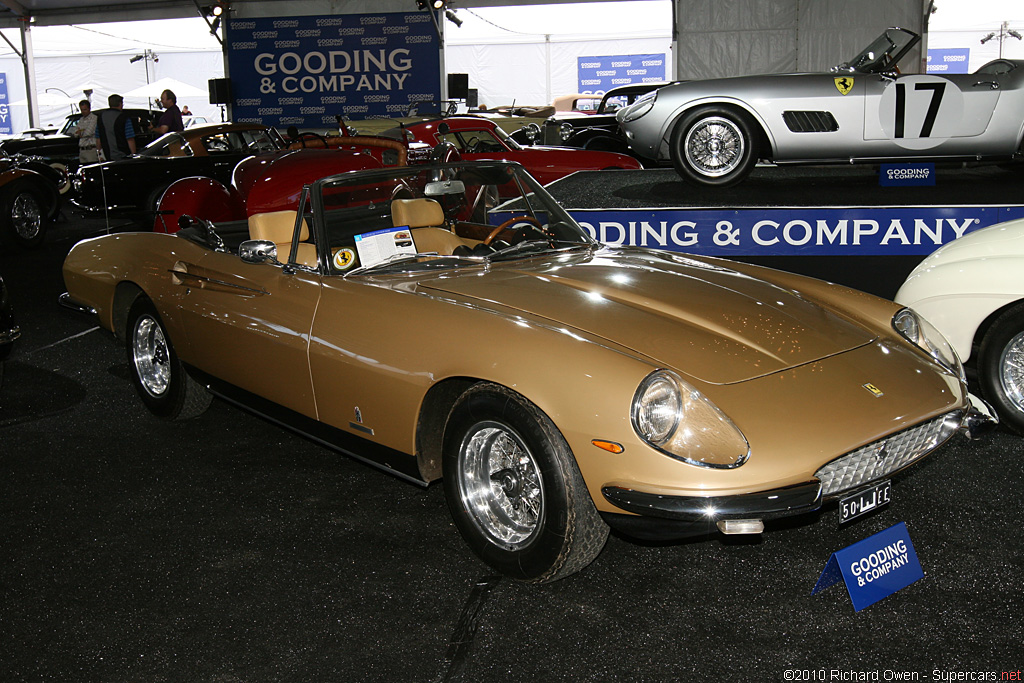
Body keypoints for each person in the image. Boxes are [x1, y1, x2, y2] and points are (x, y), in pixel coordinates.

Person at [95, 94, 137, 161]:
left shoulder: (101, 117)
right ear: (120, 104)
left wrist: (99, 154)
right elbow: (130, 138)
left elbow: (98, 138)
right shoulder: (124, 117)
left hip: (107, 155)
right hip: (123, 155)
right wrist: (134, 155)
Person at [70, 99, 99, 164]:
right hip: (82, 149)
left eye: (85, 109)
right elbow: (75, 132)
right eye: (81, 110)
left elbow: (89, 132)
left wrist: (80, 132)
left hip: (91, 149)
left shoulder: (94, 118)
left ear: (89, 108)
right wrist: (80, 132)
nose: (83, 112)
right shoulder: (81, 119)